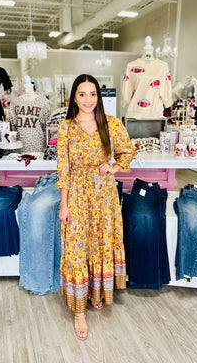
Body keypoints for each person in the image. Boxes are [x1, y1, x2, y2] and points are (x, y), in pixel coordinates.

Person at [56, 74, 136, 341]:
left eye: (92, 94)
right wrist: (64, 204)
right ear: (74, 97)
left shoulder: (110, 123)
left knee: (100, 242)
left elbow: (128, 152)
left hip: (104, 194)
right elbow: (63, 169)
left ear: (98, 97)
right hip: (77, 193)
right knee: (78, 245)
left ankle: (97, 292)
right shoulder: (66, 127)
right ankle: (79, 312)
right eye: (82, 94)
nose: (88, 100)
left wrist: (114, 167)